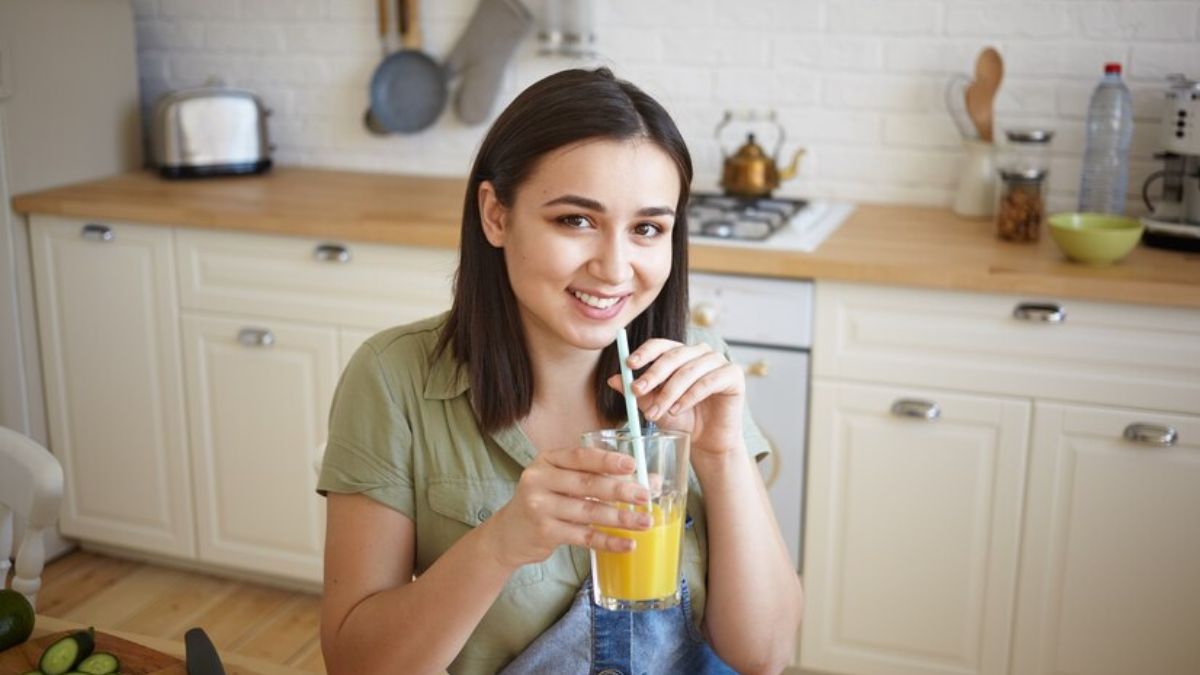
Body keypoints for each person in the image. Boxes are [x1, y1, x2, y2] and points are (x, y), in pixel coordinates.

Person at [317, 67, 803, 675]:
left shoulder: (697, 372)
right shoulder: (394, 378)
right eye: (576, 220)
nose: (615, 268)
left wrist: (722, 455)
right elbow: (354, 665)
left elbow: (765, 657)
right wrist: (500, 544)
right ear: (496, 215)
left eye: (647, 228)